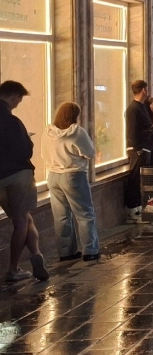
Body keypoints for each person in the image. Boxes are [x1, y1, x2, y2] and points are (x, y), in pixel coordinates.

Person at [0, 81, 46, 283]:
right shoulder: (12, 121)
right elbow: (25, 151)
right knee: (21, 220)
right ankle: (13, 269)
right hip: (19, 175)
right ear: (12, 97)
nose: (18, 103)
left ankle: (36, 253)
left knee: (25, 218)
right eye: (19, 99)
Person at [43, 102, 100, 263]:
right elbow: (89, 153)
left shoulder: (47, 132)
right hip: (73, 176)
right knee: (84, 214)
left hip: (53, 176)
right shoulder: (77, 132)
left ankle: (65, 252)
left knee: (61, 216)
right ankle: (90, 250)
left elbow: (43, 154)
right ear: (75, 115)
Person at [124, 80, 153, 223]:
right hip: (138, 149)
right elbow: (132, 130)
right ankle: (132, 211)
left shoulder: (141, 107)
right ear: (144, 90)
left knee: (142, 180)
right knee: (135, 179)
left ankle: (138, 209)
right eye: (146, 89)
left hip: (145, 148)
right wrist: (137, 149)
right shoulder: (133, 108)